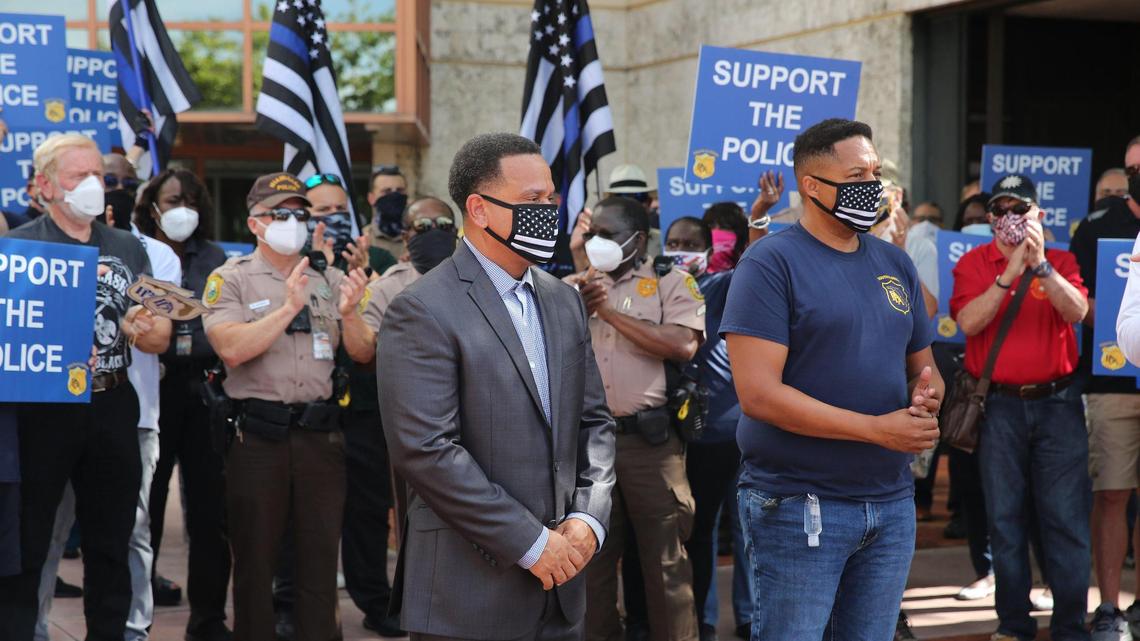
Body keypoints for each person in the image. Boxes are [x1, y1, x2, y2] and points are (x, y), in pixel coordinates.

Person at [378, 132, 616, 641]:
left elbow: (594, 421)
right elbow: (427, 451)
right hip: (467, 596)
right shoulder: (422, 309)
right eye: (532, 200)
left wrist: (588, 519)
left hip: (563, 589)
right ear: (479, 209)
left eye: (550, 198)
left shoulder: (564, 301)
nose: (548, 211)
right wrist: (532, 543)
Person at [722, 118, 942, 640]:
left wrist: (927, 395)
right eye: (857, 175)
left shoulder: (894, 263)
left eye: (876, 173)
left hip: (890, 504)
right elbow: (758, 395)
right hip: (800, 506)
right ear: (813, 187)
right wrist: (877, 430)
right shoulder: (770, 263)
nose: (873, 185)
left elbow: (924, 366)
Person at [0, 133, 173, 640]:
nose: (94, 184)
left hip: (111, 401)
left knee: (111, 540)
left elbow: (160, 334)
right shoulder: (19, 248)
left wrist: (143, 328)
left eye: (98, 173)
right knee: (30, 539)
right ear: (46, 185)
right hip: (43, 410)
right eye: (80, 176)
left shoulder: (128, 246)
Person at [201, 171, 370, 641]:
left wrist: (350, 314)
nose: (292, 222)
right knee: (255, 560)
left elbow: (363, 352)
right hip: (258, 436)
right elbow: (230, 348)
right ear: (255, 223)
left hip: (320, 437)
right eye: (280, 214)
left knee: (320, 559)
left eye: (300, 213)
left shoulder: (329, 278)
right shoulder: (230, 278)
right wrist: (287, 308)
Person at [951, 173, 1090, 641]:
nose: (1009, 218)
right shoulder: (973, 263)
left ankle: (1070, 627)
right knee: (1005, 520)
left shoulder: (1062, 260)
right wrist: (1009, 273)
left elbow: (1077, 312)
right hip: (1000, 408)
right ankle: (1014, 624)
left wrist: (1042, 266)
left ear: (1038, 215)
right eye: (1000, 210)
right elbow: (968, 321)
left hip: (1058, 404)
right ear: (990, 216)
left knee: (1066, 520)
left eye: (1019, 209)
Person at [567, 196, 703, 641]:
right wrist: (579, 306)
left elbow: (682, 345)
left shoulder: (671, 282)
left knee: (666, 564)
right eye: (592, 234)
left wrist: (607, 313)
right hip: (587, 446)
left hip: (649, 445)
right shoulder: (570, 288)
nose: (596, 242)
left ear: (638, 241)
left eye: (607, 235)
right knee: (590, 561)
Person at [137, 168, 233, 641]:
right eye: (174, 201)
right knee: (146, 509)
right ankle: (138, 610)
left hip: (204, 391)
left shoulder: (215, 258)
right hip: (153, 388)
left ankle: (208, 618)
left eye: (192, 202)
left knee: (210, 512)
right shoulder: (137, 252)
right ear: (154, 207)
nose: (183, 210)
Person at [664, 215, 754, 641]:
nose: (680, 251)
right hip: (694, 434)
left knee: (748, 529)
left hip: (738, 430)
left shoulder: (719, 285)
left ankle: (750, 616)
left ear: (707, 251)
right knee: (701, 531)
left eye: (689, 244)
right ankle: (704, 619)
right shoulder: (657, 287)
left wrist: (759, 216)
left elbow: (754, 264)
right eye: (673, 242)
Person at [1070, 137, 1140, 640]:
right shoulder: (1097, 226)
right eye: (1133, 168)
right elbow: (1077, 298)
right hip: (1110, 379)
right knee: (1111, 493)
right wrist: (1117, 319)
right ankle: (1110, 608)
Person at [302, 173, 369, 272]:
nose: (335, 215)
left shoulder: (376, 256)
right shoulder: (291, 259)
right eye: (323, 209)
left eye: (340, 208)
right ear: (304, 216)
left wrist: (366, 271)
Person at [365, 165, 409, 274]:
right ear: (371, 198)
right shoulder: (363, 239)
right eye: (387, 191)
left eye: (399, 190)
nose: (394, 196)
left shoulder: (418, 238)